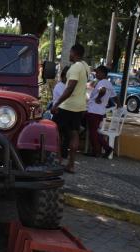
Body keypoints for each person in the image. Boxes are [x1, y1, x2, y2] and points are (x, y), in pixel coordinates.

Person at [51, 44, 90, 173]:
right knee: (74, 134)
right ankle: (71, 164)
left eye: (70, 52)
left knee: (55, 130)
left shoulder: (75, 67)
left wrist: (56, 104)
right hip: (80, 107)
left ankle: (58, 159)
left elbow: (70, 88)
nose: (69, 55)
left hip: (68, 106)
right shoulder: (85, 66)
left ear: (74, 53)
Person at [85, 65, 121, 158]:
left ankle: (100, 150)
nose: (96, 74)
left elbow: (102, 90)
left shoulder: (102, 82)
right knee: (94, 131)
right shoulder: (108, 83)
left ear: (103, 74)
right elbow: (115, 96)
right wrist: (119, 106)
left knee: (93, 132)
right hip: (100, 111)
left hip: (94, 110)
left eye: (98, 72)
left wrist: (98, 98)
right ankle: (101, 149)